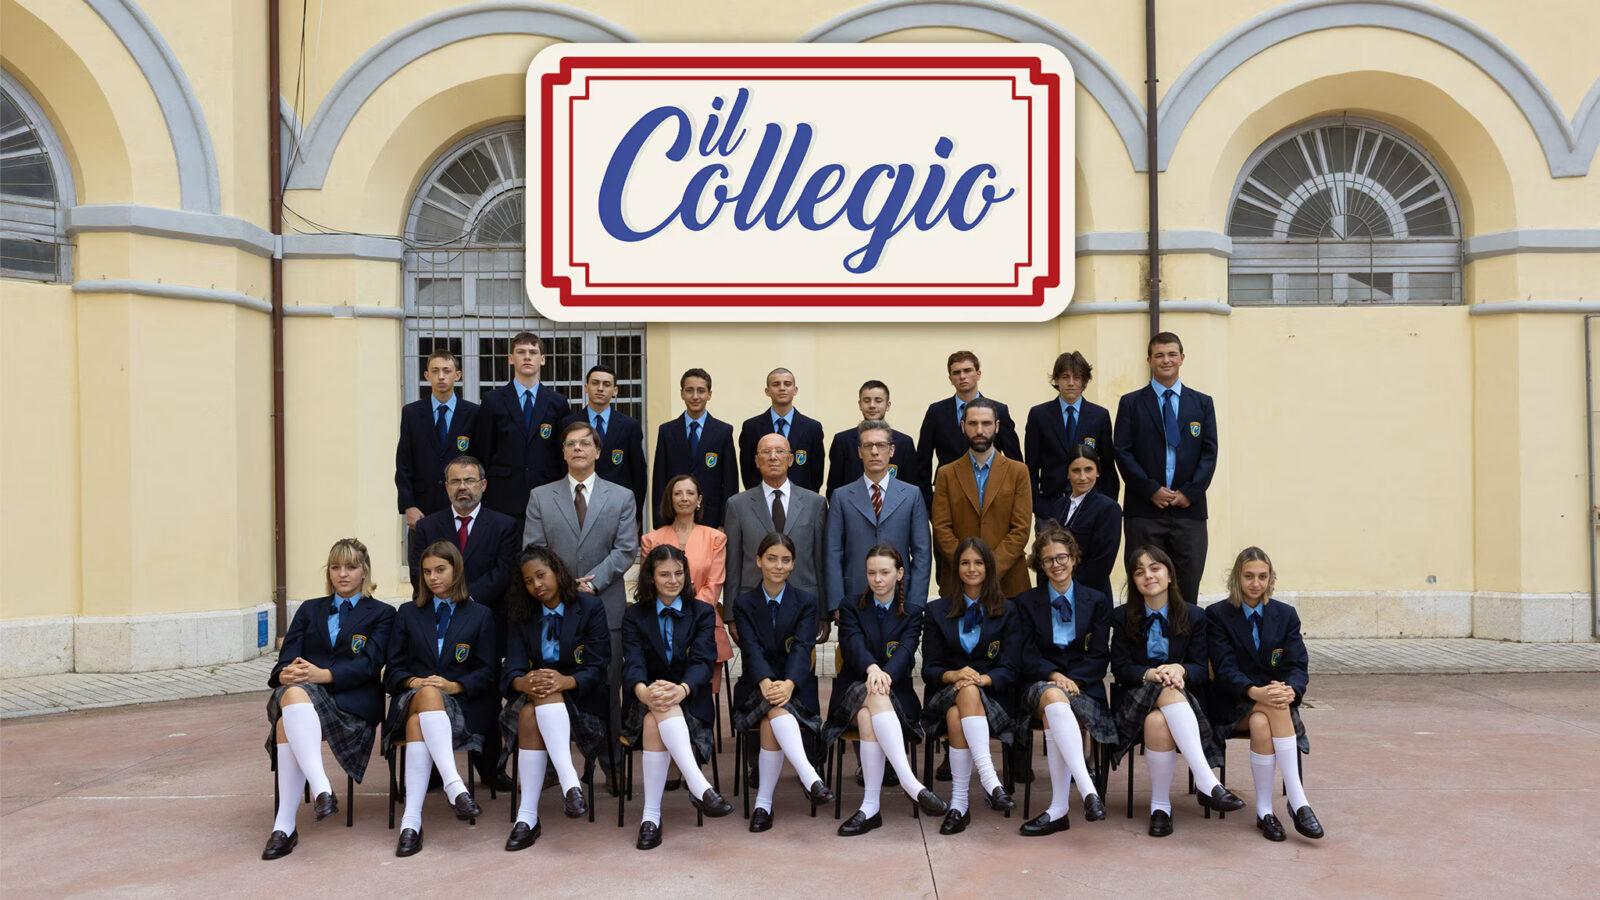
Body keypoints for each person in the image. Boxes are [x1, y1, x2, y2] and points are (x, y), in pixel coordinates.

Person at [262, 538, 396, 860]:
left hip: (353, 704)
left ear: (364, 571)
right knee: (292, 695)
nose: (342, 574)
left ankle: (286, 826)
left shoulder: (383, 613)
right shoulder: (310, 609)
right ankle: (316, 793)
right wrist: (285, 674)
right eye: (336, 567)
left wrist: (324, 674)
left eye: (351, 567)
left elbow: (370, 664)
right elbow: (285, 660)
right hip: (304, 698)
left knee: (284, 725)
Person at [523, 421, 640, 769]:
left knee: (608, 685)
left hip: (606, 605)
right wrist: (561, 585)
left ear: (597, 451)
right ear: (562, 452)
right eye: (571, 443)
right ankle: (552, 767)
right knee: (552, 684)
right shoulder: (541, 496)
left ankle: (611, 762)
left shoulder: (621, 496)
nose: (578, 449)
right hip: (552, 607)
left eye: (585, 443)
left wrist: (592, 583)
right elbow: (534, 549)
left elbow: (626, 549)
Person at [1109, 545, 1244, 838]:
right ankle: (1207, 781)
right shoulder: (1121, 617)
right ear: (1134, 581)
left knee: (1157, 720)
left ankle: (1160, 807)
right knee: (1162, 687)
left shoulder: (1195, 616)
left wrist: (1179, 670)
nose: (1148, 575)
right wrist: (1150, 673)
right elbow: (1120, 668)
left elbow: (1200, 669)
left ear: (1169, 574)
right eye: (1139, 571)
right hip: (1133, 700)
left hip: (1182, 700)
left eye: (1155, 568)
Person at [408, 455, 519, 787]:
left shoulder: (504, 525)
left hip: (486, 622)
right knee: (435, 686)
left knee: (484, 692)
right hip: (436, 624)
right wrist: (448, 600)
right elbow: (418, 572)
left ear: (483, 485)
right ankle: (430, 772)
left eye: (469, 480)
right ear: (446, 488)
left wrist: (465, 601)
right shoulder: (428, 527)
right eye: (455, 481)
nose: (462, 487)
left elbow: (504, 573)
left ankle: (490, 768)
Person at [824, 545, 948, 835]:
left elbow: (905, 652)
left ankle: (870, 808)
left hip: (897, 695)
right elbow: (852, 644)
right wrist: (872, 669)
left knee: (869, 714)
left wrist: (884, 675)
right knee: (874, 696)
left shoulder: (913, 613)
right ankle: (910, 782)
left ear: (899, 573)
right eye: (871, 573)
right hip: (852, 690)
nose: (877, 579)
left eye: (884, 572)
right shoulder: (850, 605)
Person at [384, 541, 494, 857]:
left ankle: (411, 823)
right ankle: (454, 785)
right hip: (410, 699)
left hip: (459, 706)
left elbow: (488, 672)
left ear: (456, 569)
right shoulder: (408, 613)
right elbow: (392, 671)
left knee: (418, 723)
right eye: (427, 571)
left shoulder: (480, 615)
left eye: (440, 570)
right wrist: (414, 682)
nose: (432, 577)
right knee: (427, 694)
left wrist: (455, 685)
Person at [499, 545, 611, 851]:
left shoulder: (589, 607)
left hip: (582, 698)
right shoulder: (522, 615)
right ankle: (570, 785)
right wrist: (523, 682)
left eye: (541, 575)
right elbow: (512, 669)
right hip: (534, 697)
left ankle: (527, 818)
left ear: (556, 571)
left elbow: (598, 666)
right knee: (534, 703)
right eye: (528, 581)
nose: (536, 585)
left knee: (537, 703)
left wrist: (565, 681)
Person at [1206, 547, 1322, 842]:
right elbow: (1224, 668)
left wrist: (1291, 689)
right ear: (1237, 577)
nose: (1255, 583)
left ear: (1270, 579)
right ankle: (1298, 801)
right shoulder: (1218, 615)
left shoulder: (1285, 615)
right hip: (1232, 703)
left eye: (1262, 576)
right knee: (1274, 708)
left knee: (1263, 721)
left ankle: (1265, 811)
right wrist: (1256, 692)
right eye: (1248, 576)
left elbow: (1297, 664)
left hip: (1271, 702)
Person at [622, 544, 733, 849]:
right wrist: (645, 692)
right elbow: (633, 663)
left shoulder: (702, 611)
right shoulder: (634, 615)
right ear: (651, 577)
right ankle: (699, 786)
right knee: (654, 715)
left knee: (655, 721)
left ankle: (651, 818)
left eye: (679, 573)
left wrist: (681, 689)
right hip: (644, 698)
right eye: (664, 574)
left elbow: (703, 661)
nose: (673, 580)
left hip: (691, 698)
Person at [1011, 525, 1114, 835]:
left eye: (1062, 557)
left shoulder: (1096, 601)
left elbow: (1099, 655)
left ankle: (1059, 809)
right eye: (1048, 560)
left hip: (1084, 687)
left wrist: (1073, 681)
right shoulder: (1025, 602)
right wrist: (1055, 676)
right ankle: (1088, 790)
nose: (1056, 565)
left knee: (1055, 707)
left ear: (1074, 558)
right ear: (1040, 565)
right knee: (1053, 696)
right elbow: (1024, 655)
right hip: (1038, 683)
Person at [731, 533, 835, 832]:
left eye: (786, 560)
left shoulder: (806, 602)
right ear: (758, 561)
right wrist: (766, 682)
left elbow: (803, 647)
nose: (779, 566)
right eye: (772, 558)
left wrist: (788, 684)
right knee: (775, 709)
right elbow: (750, 648)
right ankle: (809, 776)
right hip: (756, 685)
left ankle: (763, 805)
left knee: (772, 717)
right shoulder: (744, 603)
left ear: (793, 564)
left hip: (796, 686)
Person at [921, 537, 1021, 835]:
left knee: (958, 713)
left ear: (989, 567)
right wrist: (955, 675)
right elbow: (930, 669)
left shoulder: (1008, 610)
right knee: (963, 692)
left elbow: (1010, 668)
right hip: (945, 694)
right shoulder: (936, 611)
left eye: (978, 563)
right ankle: (990, 781)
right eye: (965, 563)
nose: (972, 568)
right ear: (956, 568)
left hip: (993, 696)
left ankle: (959, 804)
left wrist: (981, 679)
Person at [1113, 332, 1217, 606]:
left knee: (1187, 588)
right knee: (1144, 587)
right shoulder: (1131, 403)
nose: (1166, 360)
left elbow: (1209, 453)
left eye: (1172, 354)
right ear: (1149, 360)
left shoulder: (1202, 403)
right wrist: (1150, 489)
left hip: (1189, 512)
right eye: (1159, 355)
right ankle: (1144, 634)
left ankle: (1184, 635)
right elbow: (1122, 452)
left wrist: (1189, 493)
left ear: (1182, 358)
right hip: (1145, 511)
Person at [824, 419, 932, 619]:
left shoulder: (912, 495)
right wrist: (837, 602)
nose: (874, 452)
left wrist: (916, 602)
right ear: (859, 451)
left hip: (901, 598)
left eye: (881, 445)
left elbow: (922, 552)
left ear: (891, 450)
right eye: (868, 446)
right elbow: (832, 552)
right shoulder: (841, 496)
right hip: (854, 596)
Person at [724, 433, 829, 638]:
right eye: (766, 452)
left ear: (790, 459)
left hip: (804, 604)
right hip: (754, 604)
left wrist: (824, 612)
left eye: (779, 451)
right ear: (757, 460)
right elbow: (733, 564)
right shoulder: (737, 505)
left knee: (801, 658)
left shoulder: (815, 504)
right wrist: (730, 615)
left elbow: (820, 561)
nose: (773, 457)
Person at [931, 398, 1033, 598]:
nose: (979, 430)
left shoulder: (1018, 472)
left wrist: (989, 569)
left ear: (996, 426)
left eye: (986, 423)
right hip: (958, 585)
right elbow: (941, 528)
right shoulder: (946, 474)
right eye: (973, 423)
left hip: (1008, 582)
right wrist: (967, 566)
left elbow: (1020, 530)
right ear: (963, 426)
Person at [640, 475, 732, 693]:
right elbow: (648, 585)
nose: (684, 498)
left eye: (690, 493)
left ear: (699, 500)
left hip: (703, 625)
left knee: (699, 696)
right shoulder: (651, 540)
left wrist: (687, 615)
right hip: (662, 625)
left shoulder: (715, 538)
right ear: (669, 499)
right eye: (678, 493)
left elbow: (713, 585)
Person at [472, 332, 573, 528]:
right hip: (502, 497)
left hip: (547, 494)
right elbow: (482, 451)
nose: (527, 357)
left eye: (533, 352)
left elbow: (562, 453)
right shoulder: (493, 400)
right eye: (521, 352)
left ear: (542, 360)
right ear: (511, 359)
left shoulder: (558, 402)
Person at [916, 350, 1022, 512]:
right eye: (956, 372)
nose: (962, 376)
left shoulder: (999, 410)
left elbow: (1014, 460)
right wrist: (930, 507)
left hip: (991, 496)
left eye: (967, 370)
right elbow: (922, 463)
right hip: (949, 497)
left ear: (978, 374)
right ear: (950, 379)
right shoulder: (936, 412)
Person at [396, 349, 481, 538]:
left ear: (457, 375)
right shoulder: (412, 413)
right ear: (427, 375)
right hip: (422, 509)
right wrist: (408, 506)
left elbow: (480, 461)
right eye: (435, 371)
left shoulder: (474, 414)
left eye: (446, 370)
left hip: (461, 507)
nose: (441, 376)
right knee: (422, 556)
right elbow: (403, 464)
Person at [1025, 350, 1119, 516]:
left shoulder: (1100, 416)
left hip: (1090, 508)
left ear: (1085, 381)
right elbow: (1031, 467)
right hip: (1050, 507)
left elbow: (1108, 468)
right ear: (1056, 380)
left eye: (1077, 377)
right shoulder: (1039, 415)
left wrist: (1105, 506)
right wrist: (1038, 505)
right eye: (1065, 377)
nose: (1071, 383)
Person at [561, 364, 647, 528]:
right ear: (586, 387)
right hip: (577, 506)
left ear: (615, 391)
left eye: (606, 384)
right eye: (595, 383)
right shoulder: (569, 423)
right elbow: (561, 467)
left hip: (616, 509)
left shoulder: (629, 426)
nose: (600, 388)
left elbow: (638, 473)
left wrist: (635, 516)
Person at [652, 368, 739, 529]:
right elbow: (659, 479)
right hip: (674, 519)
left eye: (701, 391)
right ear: (682, 393)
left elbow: (729, 482)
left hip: (711, 520)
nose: (695, 396)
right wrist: (660, 523)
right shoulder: (667, 431)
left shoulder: (723, 432)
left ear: (709, 394)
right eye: (689, 390)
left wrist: (724, 523)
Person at [1038, 445, 1122, 599]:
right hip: (1055, 593)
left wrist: (1066, 587)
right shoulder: (1059, 505)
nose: (1083, 477)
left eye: (1088, 469)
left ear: (1098, 472)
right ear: (1067, 474)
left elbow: (1101, 565)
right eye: (1076, 470)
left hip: (1090, 596)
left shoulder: (1109, 508)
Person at [739, 368, 826, 493]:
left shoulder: (812, 428)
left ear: (795, 390)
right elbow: (747, 471)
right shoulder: (751, 427)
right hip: (763, 498)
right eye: (776, 384)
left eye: (787, 384)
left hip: (801, 498)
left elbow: (816, 474)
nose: (782, 388)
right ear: (767, 391)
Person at [825, 380, 917, 498]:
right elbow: (834, 489)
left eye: (878, 400)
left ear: (887, 405)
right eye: (866, 400)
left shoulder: (904, 443)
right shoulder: (842, 441)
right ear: (860, 404)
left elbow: (910, 489)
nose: (872, 405)